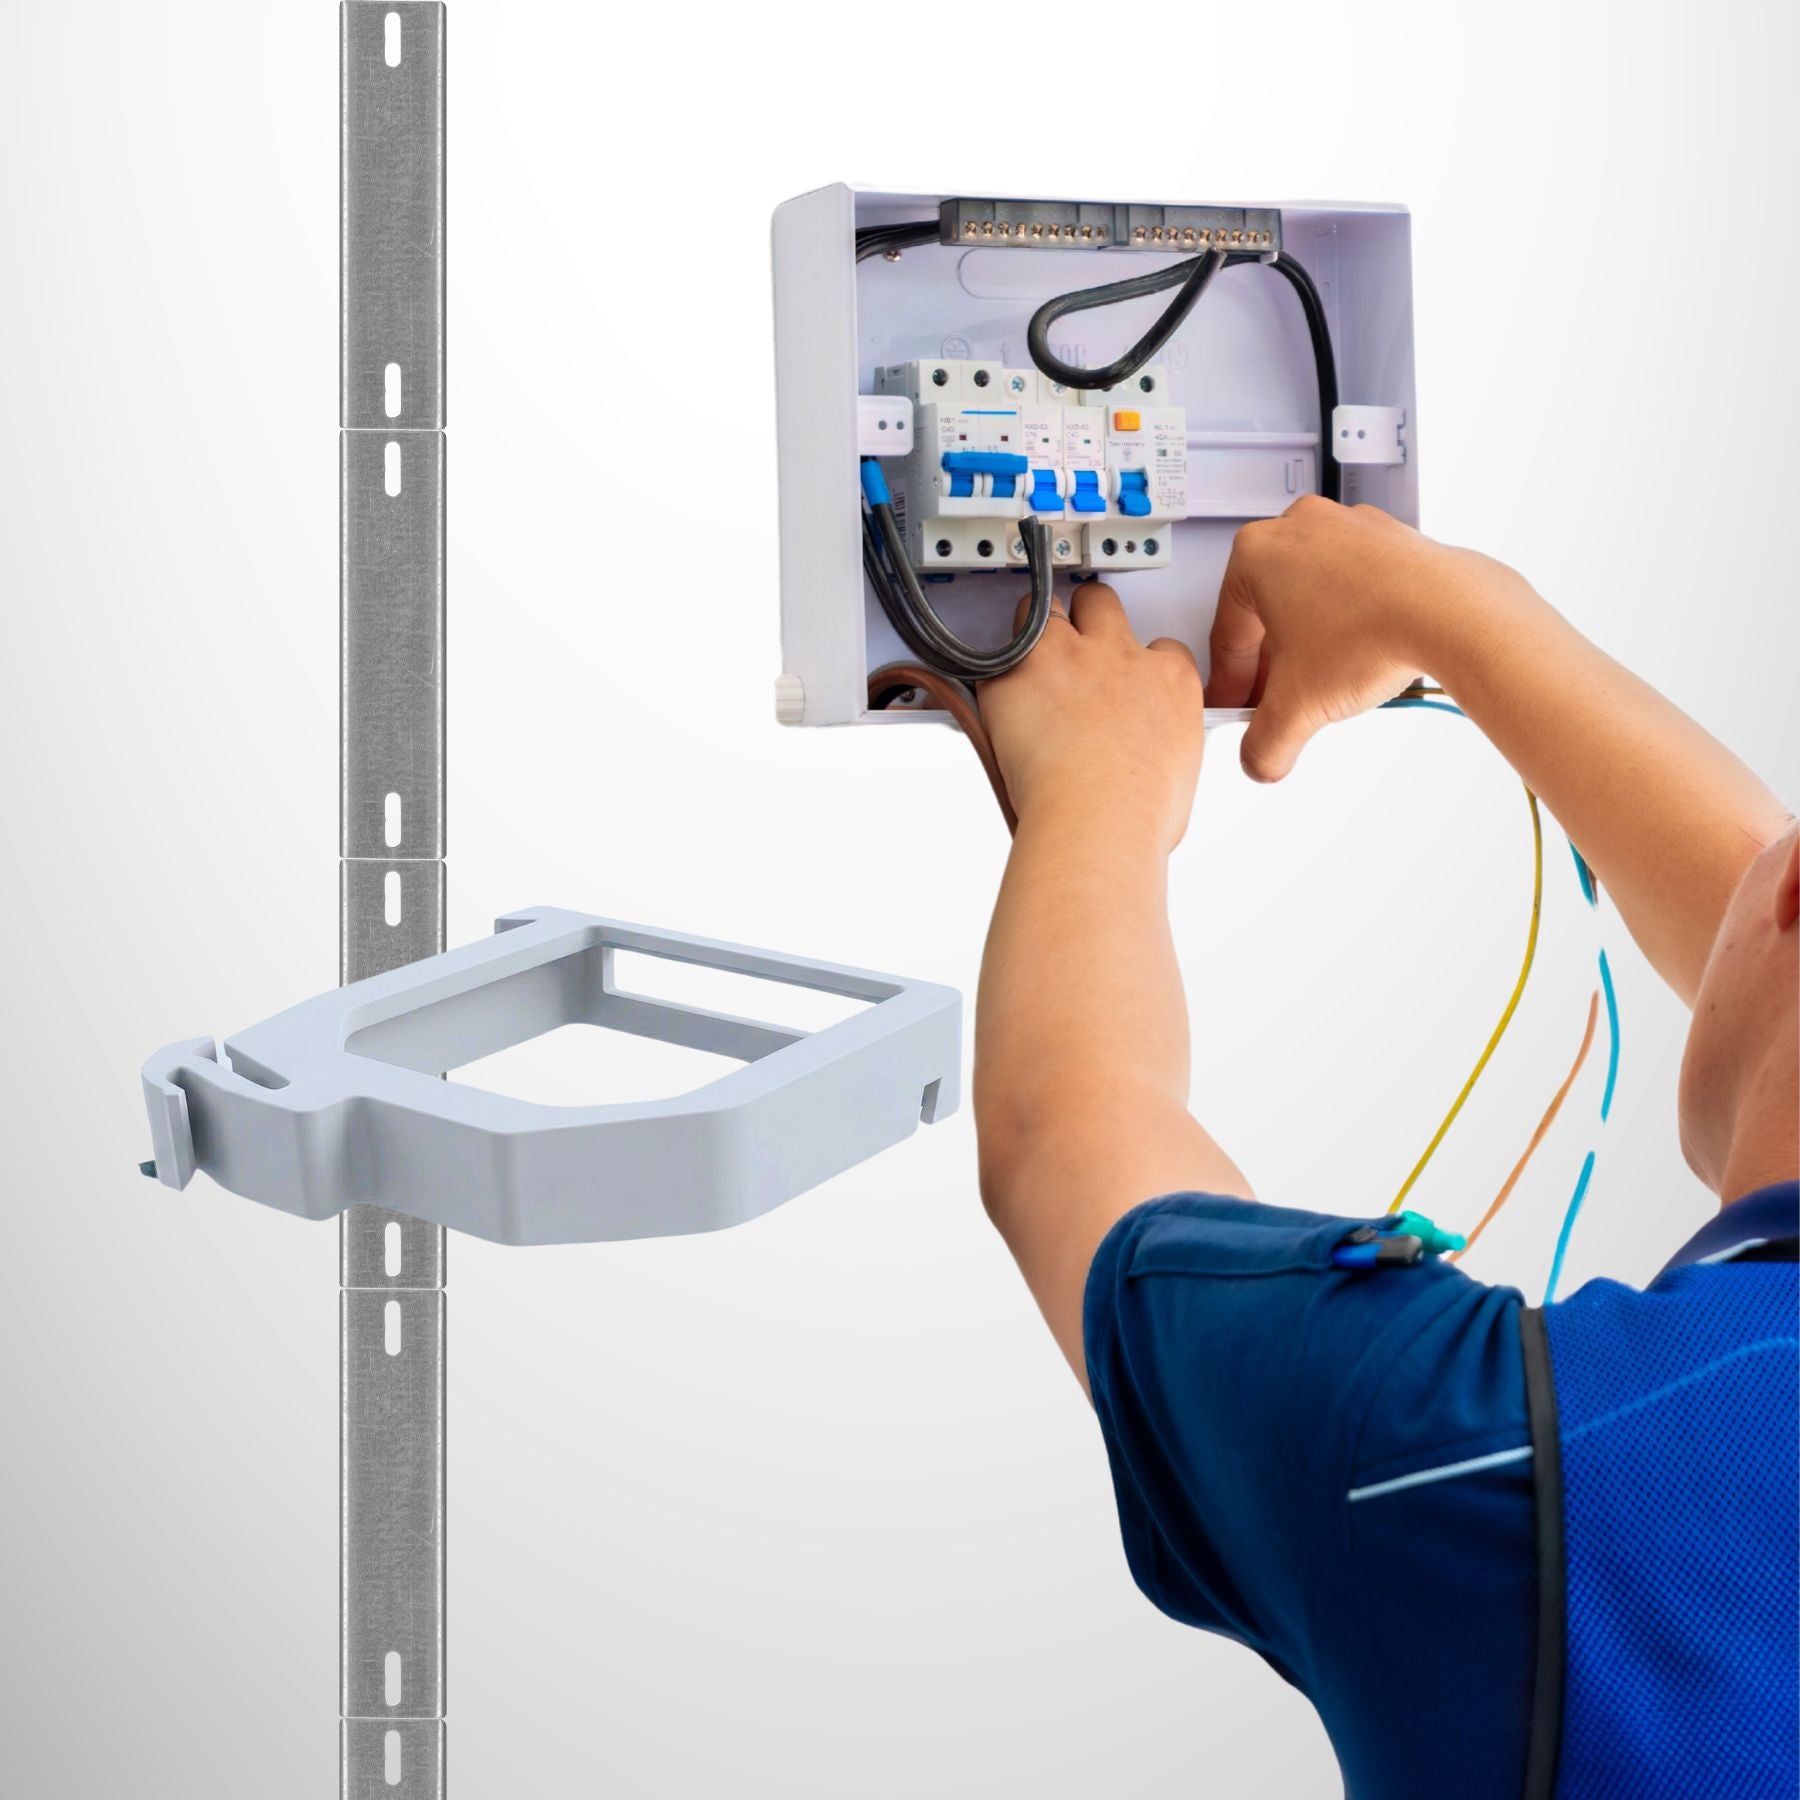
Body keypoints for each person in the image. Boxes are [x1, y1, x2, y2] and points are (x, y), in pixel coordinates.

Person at [973, 496, 1798, 1799]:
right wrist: (1445, 607)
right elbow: (1758, 919)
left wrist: (1097, 786)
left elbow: (1060, 1128)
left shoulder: (1485, 1457)